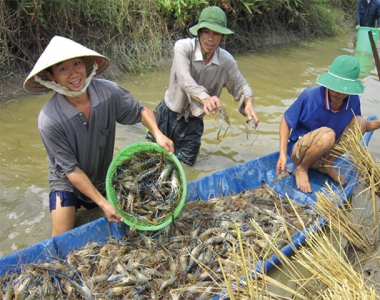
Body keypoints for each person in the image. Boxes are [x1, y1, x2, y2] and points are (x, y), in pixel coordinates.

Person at [23, 36, 174, 236]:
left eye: (77, 63)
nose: (74, 73)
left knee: (131, 223)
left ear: (86, 66)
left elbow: (140, 111)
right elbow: (71, 170)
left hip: (103, 175)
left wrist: (157, 133)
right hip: (67, 181)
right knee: (61, 238)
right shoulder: (49, 119)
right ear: (52, 77)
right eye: (63, 69)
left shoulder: (107, 92)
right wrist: (103, 203)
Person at [145, 6, 259, 166]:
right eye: (206, 32)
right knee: (149, 158)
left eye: (216, 33)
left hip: (193, 122)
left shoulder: (226, 61)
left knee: (185, 167)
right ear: (199, 32)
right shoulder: (183, 48)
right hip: (167, 114)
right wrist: (205, 99)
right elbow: (185, 80)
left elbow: (242, 87)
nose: (211, 39)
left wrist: (249, 104)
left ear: (222, 36)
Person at [276, 55, 380, 193]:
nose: (335, 92)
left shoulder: (353, 101)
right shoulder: (310, 96)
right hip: (300, 153)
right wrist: (282, 154)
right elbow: (286, 121)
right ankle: (302, 169)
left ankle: (326, 165)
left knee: (359, 122)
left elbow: (360, 128)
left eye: (341, 89)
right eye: (333, 86)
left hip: (325, 152)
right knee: (328, 135)